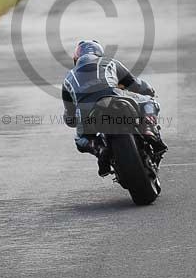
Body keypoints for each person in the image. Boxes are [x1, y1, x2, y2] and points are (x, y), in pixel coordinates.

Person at [62, 40, 167, 177]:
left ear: (76, 58)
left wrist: (72, 119)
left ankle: (99, 148)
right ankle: (148, 130)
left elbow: (70, 118)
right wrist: (149, 91)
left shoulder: (68, 79)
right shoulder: (110, 62)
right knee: (149, 102)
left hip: (87, 112)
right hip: (116, 99)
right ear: (99, 53)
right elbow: (135, 84)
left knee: (81, 139)